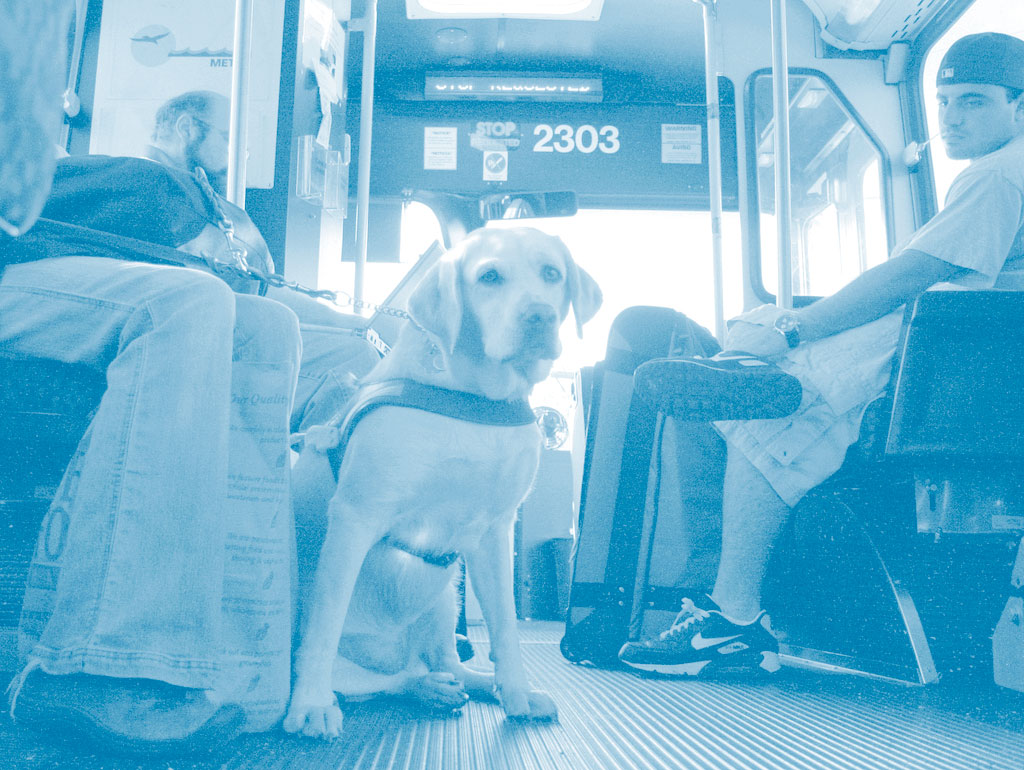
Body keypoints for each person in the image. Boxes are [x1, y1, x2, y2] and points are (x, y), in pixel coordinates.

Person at [617, 32, 1024, 677]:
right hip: (981, 371)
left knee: (768, 414)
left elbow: (908, 274)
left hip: (967, 373)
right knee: (775, 365)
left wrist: (796, 330)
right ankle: (754, 373)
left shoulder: (999, 176)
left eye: (972, 101)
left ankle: (735, 615)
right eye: (942, 101)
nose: (949, 116)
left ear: (1021, 107)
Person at [143, 90, 382, 435]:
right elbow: (246, 297)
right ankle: (303, 478)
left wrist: (347, 321)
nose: (240, 155)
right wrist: (348, 326)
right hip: (193, 345)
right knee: (354, 358)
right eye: (230, 139)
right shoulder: (157, 188)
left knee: (357, 340)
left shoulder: (188, 192)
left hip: (224, 328)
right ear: (186, 128)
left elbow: (257, 289)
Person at [146, 90, 231, 196]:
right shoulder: (149, 190)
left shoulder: (177, 189)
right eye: (227, 138)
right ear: (186, 129)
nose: (237, 158)